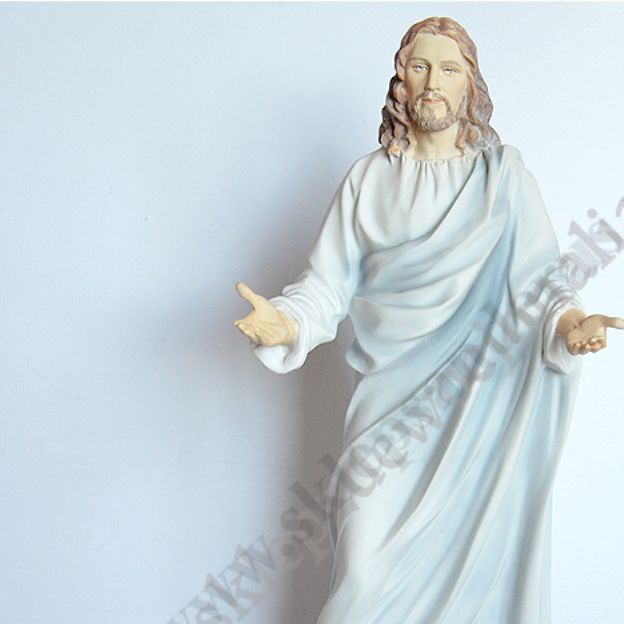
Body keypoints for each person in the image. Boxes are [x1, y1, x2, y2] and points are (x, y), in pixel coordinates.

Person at [234, 16, 623, 623]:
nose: (433, 82)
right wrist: (286, 322)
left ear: (471, 82)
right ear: (401, 82)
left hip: (478, 405)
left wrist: (568, 320)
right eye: (419, 67)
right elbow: (326, 285)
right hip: (389, 405)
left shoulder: (503, 179)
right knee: (364, 575)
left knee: (477, 578)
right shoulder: (368, 179)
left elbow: (540, 277)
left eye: (448, 68)